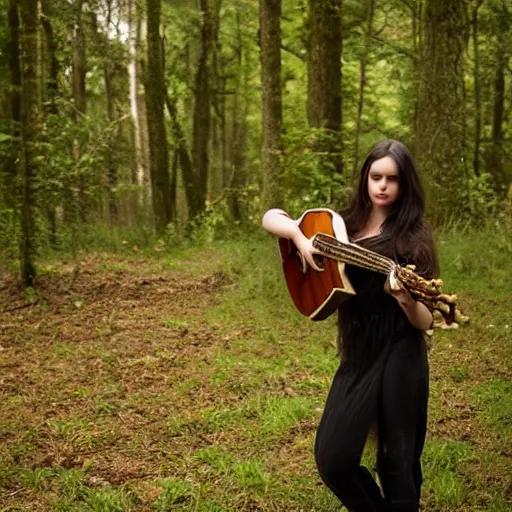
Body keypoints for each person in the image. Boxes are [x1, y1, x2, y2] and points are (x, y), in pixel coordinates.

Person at [261, 139, 439, 512]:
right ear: (365, 179)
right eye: (376, 176)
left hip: (400, 352)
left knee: (397, 464)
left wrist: (406, 299)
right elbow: (271, 217)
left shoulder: (414, 239)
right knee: (334, 460)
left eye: (393, 179)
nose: (383, 186)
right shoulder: (341, 224)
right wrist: (298, 236)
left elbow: (426, 320)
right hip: (358, 353)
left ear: (405, 184)